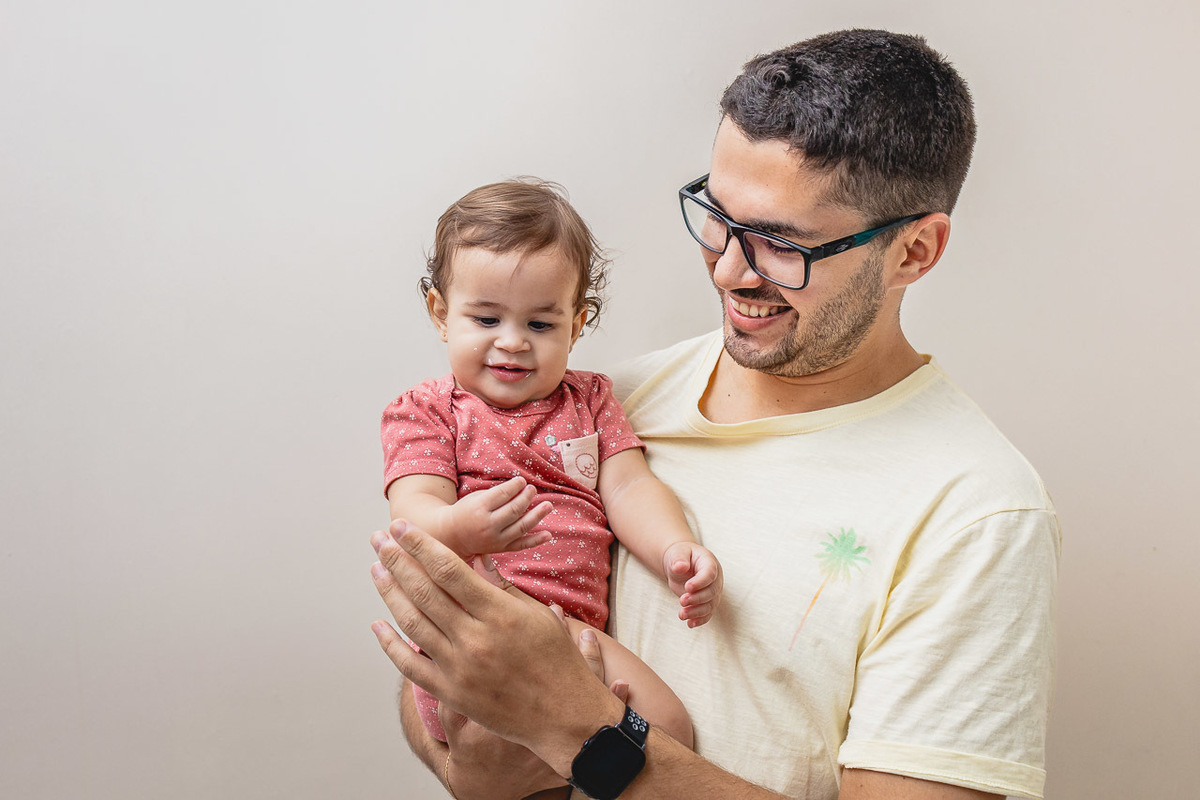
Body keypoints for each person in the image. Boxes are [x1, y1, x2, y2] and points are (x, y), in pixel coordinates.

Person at [370, 28, 1060, 800]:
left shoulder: (974, 513)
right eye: (718, 216)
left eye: (779, 243)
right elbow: (456, 699)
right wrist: (477, 759)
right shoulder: (596, 407)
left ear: (914, 252)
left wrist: (576, 730)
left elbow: (556, 716)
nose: (730, 269)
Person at [379, 179, 722, 770]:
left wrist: (676, 548)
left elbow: (630, 486)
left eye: (540, 325)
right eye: (486, 319)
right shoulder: (429, 410)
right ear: (441, 312)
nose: (511, 343)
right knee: (642, 733)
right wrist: (462, 529)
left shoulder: (590, 400)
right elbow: (412, 516)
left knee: (652, 740)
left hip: (568, 638)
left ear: (577, 321)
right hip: (473, 635)